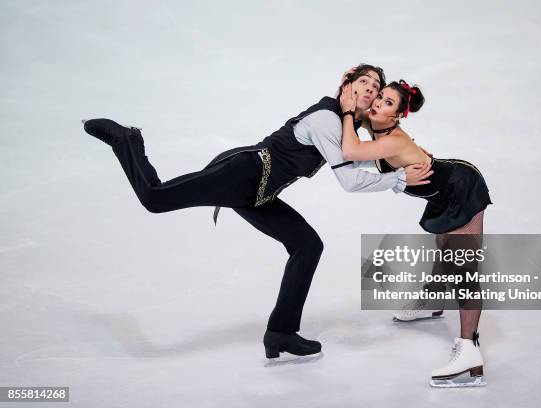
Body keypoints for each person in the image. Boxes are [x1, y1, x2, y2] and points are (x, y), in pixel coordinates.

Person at [81, 64, 433, 362]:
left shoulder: (346, 128)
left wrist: (404, 155)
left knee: (307, 245)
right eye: (364, 82)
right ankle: (126, 140)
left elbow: (362, 150)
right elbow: (350, 181)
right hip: (243, 173)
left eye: (375, 87)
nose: (370, 90)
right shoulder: (328, 119)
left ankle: (280, 332)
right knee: (155, 198)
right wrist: (398, 178)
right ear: (346, 84)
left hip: (259, 193)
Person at [339, 77, 492, 387]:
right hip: (443, 193)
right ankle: (432, 301)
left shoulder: (391, 139)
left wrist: (346, 114)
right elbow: (355, 109)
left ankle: (468, 349)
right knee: (444, 249)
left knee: (463, 269)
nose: (378, 103)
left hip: (462, 187)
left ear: (396, 116)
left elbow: (348, 150)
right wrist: (349, 83)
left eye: (388, 103)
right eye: (380, 97)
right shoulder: (377, 123)